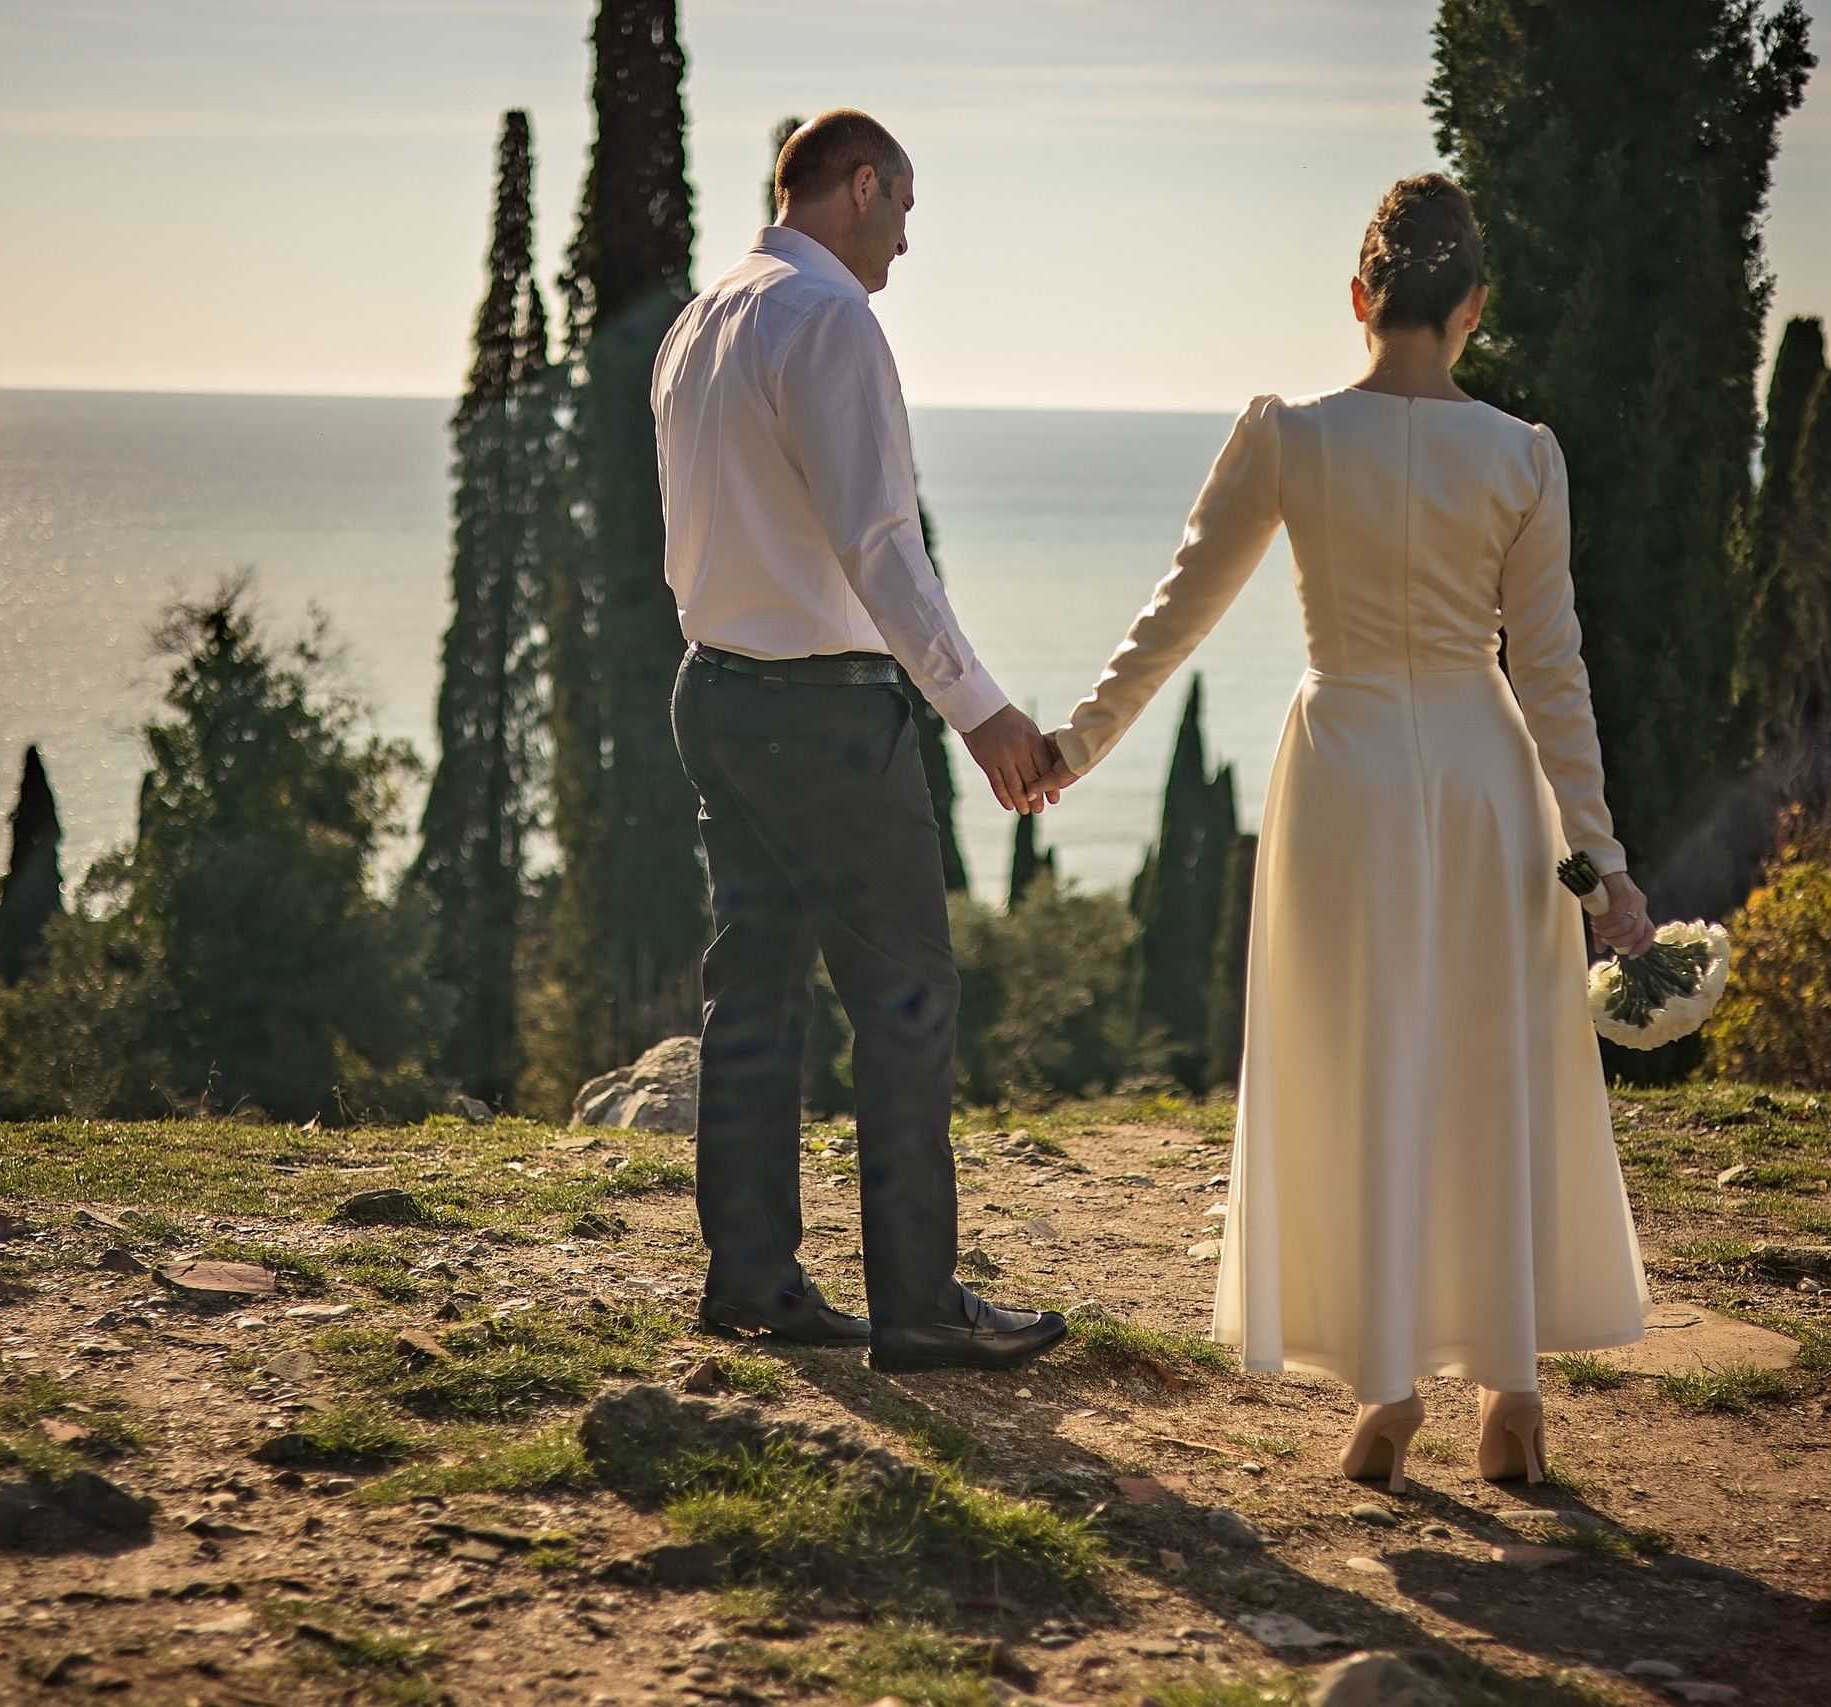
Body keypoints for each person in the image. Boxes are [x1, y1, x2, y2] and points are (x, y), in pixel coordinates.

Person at [1031, 174, 1656, 1483]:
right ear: (1472, 308)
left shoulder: (1290, 436)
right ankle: (1512, 1389)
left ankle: (1386, 1389)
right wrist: (1600, 864)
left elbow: (1179, 608)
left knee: (1362, 1062)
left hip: (1345, 771)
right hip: (1485, 775)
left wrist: (1076, 745)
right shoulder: (1524, 457)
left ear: (1359, 297)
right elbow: (1553, 674)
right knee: (1489, 1066)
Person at [651, 109, 1067, 1376]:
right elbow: (881, 544)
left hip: (717, 694)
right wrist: (981, 710)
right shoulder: (830, 320)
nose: (905, 239)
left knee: (754, 993)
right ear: (863, 184)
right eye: (904, 208)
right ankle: (920, 1307)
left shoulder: (700, 320)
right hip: (824, 714)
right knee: (906, 998)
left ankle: (752, 1280)